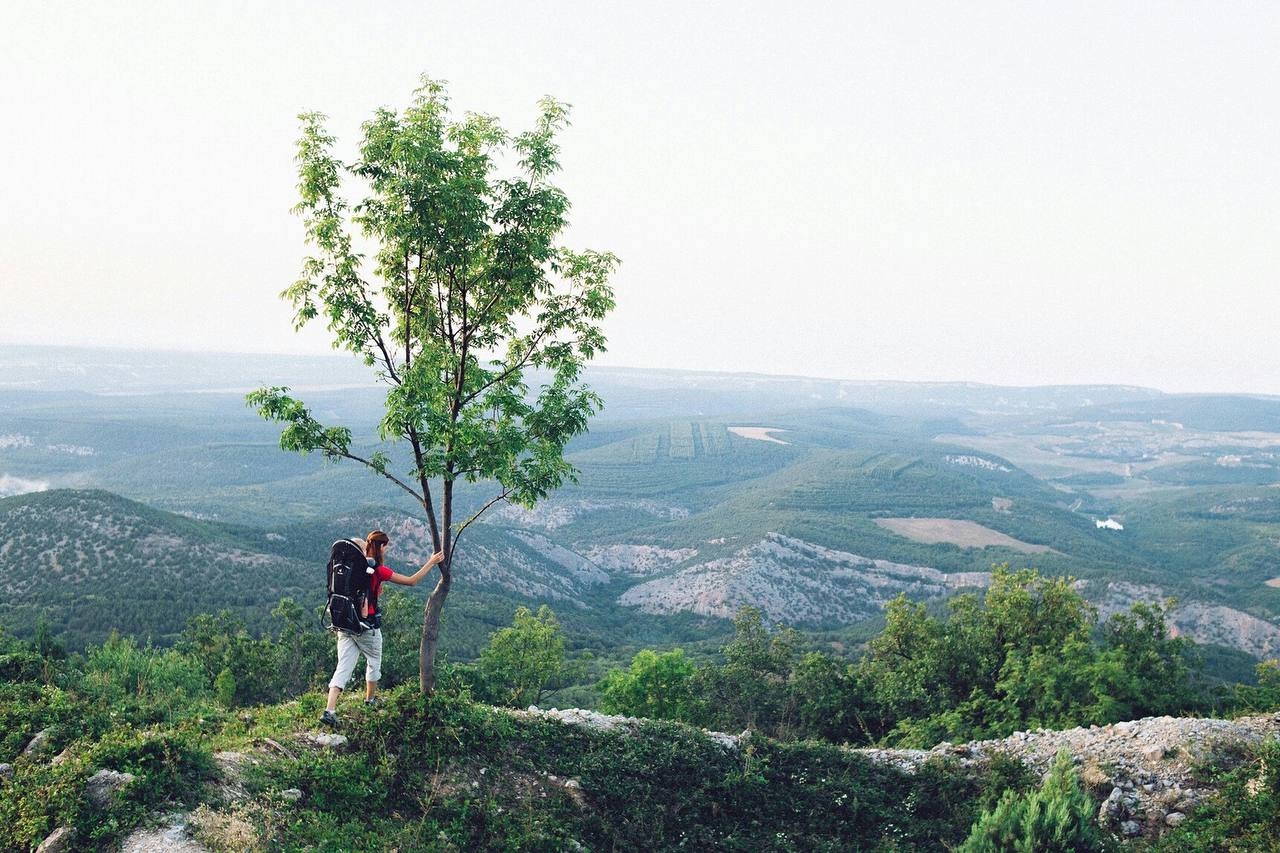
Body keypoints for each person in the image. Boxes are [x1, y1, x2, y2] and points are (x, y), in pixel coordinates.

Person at [321, 530, 444, 727]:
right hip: (366, 627)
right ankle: (370, 700)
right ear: (379, 547)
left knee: (343, 667)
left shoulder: (344, 570)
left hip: (344, 625)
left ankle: (330, 709)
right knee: (374, 662)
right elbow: (411, 581)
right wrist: (431, 562)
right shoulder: (375, 569)